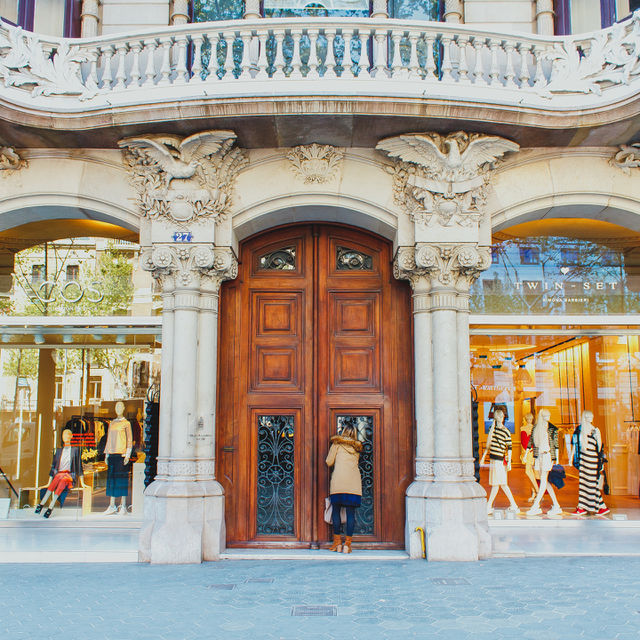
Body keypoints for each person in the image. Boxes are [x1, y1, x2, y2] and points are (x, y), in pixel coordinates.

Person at [325, 425, 362, 553]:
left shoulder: (337, 445)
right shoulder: (357, 448)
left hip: (339, 482)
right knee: (350, 514)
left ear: (343, 432)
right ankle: (347, 545)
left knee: (336, 512)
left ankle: (337, 544)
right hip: (353, 483)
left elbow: (329, 461)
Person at [35, 428, 86, 518]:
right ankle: (44, 505)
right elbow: (54, 467)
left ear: (71, 436)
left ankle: (48, 507)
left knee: (62, 480)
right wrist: (48, 482)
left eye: (67, 434)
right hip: (59, 475)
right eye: (63, 435)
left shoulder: (75, 450)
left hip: (69, 476)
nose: (65, 436)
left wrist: (82, 483)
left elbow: (79, 466)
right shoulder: (58, 451)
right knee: (58, 479)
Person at [480, 409, 519, 515]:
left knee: (499, 484)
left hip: (499, 461)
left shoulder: (505, 431)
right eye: (500, 416)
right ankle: (513, 505)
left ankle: (489, 506)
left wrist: (509, 462)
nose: (502, 418)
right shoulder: (492, 429)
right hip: (494, 460)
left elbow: (509, 447)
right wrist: (483, 457)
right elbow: (489, 445)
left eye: (502, 416)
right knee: (500, 484)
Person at [571, 410, 609, 516]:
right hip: (584, 458)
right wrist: (571, 457)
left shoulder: (595, 430)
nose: (590, 418)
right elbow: (576, 445)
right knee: (585, 483)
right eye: (588, 417)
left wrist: (599, 461)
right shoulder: (580, 430)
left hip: (591, 459)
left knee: (590, 483)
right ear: (584, 418)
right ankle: (597, 507)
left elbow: (599, 447)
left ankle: (586, 507)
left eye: (591, 416)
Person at [527, 409, 562, 517]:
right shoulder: (536, 428)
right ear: (542, 416)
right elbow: (531, 442)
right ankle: (556, 505)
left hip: (547, 456)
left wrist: (556, 459)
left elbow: (556, 444)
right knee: (545, 482)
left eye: (549, 415)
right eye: (546, 416)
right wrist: (526, 454)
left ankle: (535, 506)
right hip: (539, 456)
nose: (548, 417)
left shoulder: (551, 429)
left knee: (543, 481)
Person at [103, 401, 132, 515]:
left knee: (121, 480)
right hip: (112, 454)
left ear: (124, 408)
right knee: (112, 480)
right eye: (116, 406)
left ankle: (123, 505)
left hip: (121, 455)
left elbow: (129, 439)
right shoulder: (112, 423)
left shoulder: (126, 423)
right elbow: (109, 439)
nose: (118, 408)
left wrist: (128, 454)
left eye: (120, 406)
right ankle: (112, 505)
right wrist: (107, 454)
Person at [520, 412, 538, 502]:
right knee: (532, 473)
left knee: (529, 471)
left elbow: (529, 442)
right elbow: (523, 442)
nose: (529, 420)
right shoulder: (529, 428)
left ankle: (537, 491)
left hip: (530, 452)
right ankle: (534, 493)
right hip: (529, 452)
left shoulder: (528, 428)